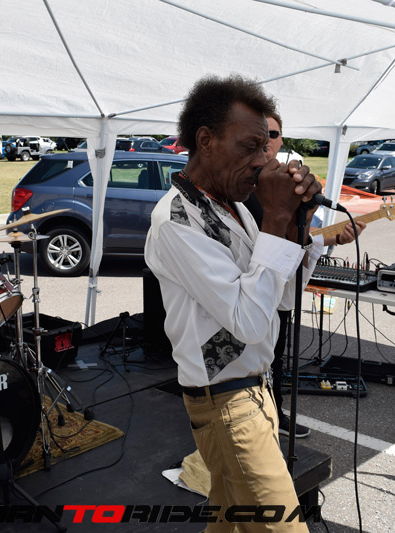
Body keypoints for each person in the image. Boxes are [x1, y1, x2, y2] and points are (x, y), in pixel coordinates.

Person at [144, 74, 324, 532]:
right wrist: (276, 217)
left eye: (266, 147)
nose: (263, 160)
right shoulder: (176, 221)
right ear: (206, 141)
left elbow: (282, 297)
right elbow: (248, 321)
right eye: (250, 147)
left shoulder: (235, 207)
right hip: (227, 403)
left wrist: (298, 224)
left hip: (254, 390)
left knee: (229, 523)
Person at [243, 113, 365, 439]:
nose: (266, 140)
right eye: (258, 133)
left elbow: (302, 235)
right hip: (247, 292)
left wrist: (330, 237)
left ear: (281, 140)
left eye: (272, 134)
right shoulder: (241, 187)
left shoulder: (290, 183)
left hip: (280, 289)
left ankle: (275, 414)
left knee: (276, 358)